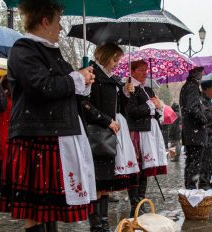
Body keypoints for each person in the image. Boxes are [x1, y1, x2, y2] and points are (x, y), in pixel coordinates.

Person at [0, 1, 97, 231]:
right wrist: (76, 79)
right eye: (58, 21)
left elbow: (63, 88)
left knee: (49, 208)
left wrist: (83, 79)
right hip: (35, 136)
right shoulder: (24, 49)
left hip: (53, 134)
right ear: (45, 21)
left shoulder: (52, 52)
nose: (61, 28)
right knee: (35, 209)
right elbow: (41, 86)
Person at [82, 42, 136, 231]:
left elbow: (119, 107)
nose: (116, 64)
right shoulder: (92, 75)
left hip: (108, 136)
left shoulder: (112, 80)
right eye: (115, 59)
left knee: (104, 184)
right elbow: (85, 105)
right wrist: (106, 120)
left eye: (118, 60)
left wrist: (126, 93)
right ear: (105, 56)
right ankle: (97, 226)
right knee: (96, 183)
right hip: (96, 135)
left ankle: (103, 224)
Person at [126, 60, 167, 217]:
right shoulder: (130, 87)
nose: (145, 73)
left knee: (145, 170)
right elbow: (132, 112)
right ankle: (134, 204)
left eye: (146, 70)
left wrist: (158, 107)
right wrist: (149, 105)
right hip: (138, 132)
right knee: (137, 169)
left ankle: (141, 201)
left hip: (150, 132)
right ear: (133, 71)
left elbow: (154, 113)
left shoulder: (148, 89)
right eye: (141, 70)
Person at [179, 66, 207, 189]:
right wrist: (203, 119)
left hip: (190, 130)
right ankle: (191, 187)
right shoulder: (192, 87)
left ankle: (189, 186)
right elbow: (192, 108)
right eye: (201, 73)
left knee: (191, 160)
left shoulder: (187, 86)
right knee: (194, 160)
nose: (202, 75)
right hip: (194, 130)